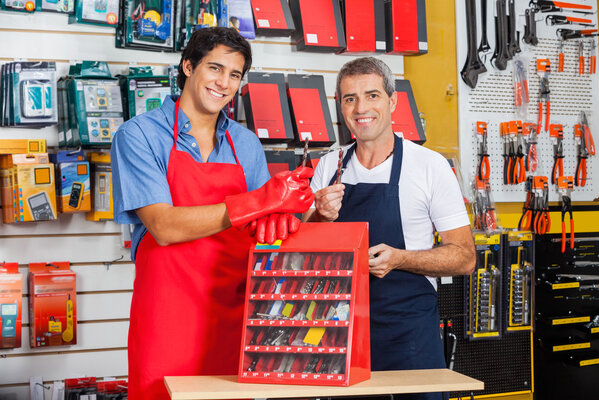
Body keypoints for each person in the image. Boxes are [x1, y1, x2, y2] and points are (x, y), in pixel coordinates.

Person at [111, 27, 313, 400]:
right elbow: (164, 226)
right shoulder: (138, 136)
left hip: (235, 313)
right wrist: (259, 201)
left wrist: (298, 213)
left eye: (234, 75)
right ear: (189, 66)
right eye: (215, 69)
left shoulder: (246, 144)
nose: (224, 83)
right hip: (167, 317)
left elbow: (263, 228)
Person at [304, 57, 476, 400]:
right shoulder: (328, 166)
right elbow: (302, 254)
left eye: (372, 96)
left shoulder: (429, 166)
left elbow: (464, 257)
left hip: (408, 335)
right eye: (350, 98)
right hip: (340, 332)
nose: (361, 108)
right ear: (340, 105)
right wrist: (320, 217)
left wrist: (399, 258)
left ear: (393, 101)